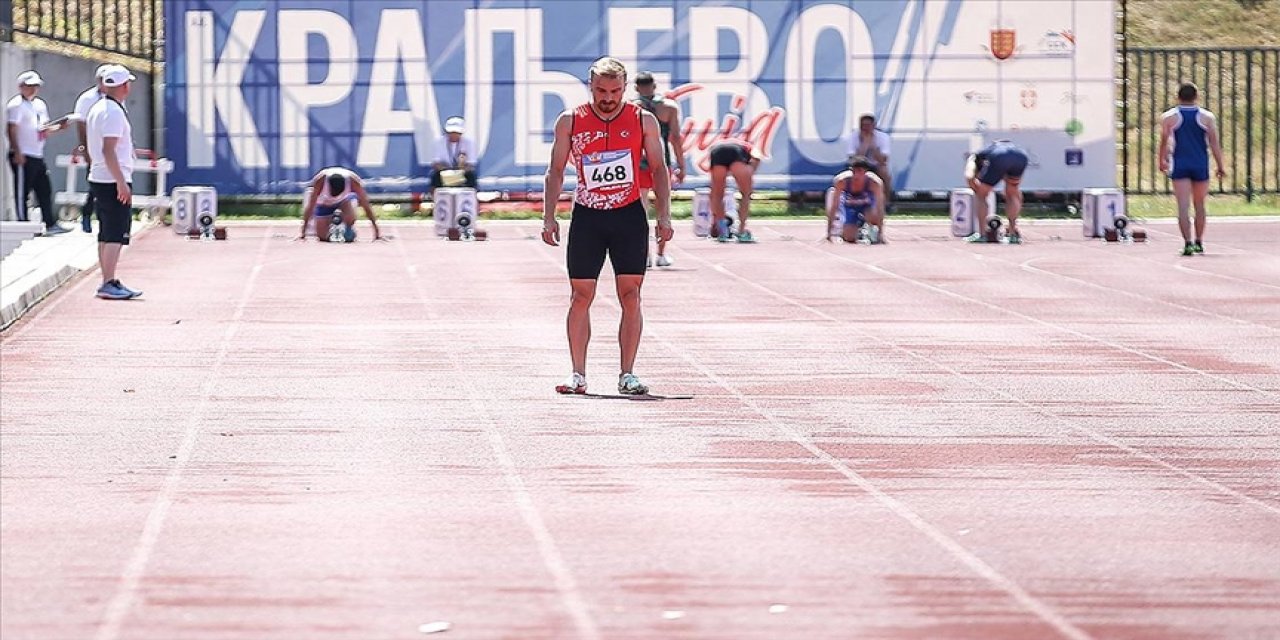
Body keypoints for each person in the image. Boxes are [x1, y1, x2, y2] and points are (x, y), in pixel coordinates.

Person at [541, 56, 673, 396]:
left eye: (615, 91)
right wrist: (548, 215)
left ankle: (627, 373)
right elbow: (555, 171)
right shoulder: (570, 120)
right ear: (591, 87)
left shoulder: (643, 120)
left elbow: (658, 170)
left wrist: (664, 217)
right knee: (580, 295)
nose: (608, 98)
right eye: (601, 90)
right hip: (588, 215)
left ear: (624, 88)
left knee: (631, 296)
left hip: (628, 215)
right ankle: (577, 374)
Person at [85, 65, 142, 299]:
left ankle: (107, 279)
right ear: (123, 86)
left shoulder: (99, 108)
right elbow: (109, 150)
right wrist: (121, 182)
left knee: (106, 231)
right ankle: (108, 280)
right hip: (111, 178)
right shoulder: (113, 112)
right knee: (115, 232)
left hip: (100, 176)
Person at [1158, 82, 1226, 256]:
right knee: (1200, 205)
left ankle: (1187, 242)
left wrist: (1162, 160)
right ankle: (1199, 241)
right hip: (1199, 164)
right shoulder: (1207, 117)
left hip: (1180, 163)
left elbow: (1164, 141)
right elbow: (1214, 143)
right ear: (1196, 96)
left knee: (1183, 205)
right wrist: (1220, 165)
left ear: (1178, 97)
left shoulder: (1169, 117)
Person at [7, 70, 71, 235]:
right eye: (29, 86)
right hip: (24, 153)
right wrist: (17, 151)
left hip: (37, 153)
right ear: (21, 87)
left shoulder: (39, 105)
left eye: (35, 86)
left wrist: (59, 127)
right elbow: (11, 129)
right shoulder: (16, 105)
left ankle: (49, 223)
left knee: (44, 189)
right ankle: (22, 225)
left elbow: (43, 129)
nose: (33, 89)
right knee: (23, 191)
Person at [632, 71, 686, 267]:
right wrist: (681, 164)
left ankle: (643, 255)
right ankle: (661, 255)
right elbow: (675, 138)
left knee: (640, 210)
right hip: (661, 160)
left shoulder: (632, 108)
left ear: (636, 87)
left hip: (639, 161)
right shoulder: (669, 107)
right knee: (663, 208)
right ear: (654, 86)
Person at [964, 139, 1028, 244]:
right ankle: (1012, 234)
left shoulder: (982, 153)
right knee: (1012, 193)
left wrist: (976, 188)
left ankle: (982, 235)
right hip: (1021, 157)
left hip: (1000, 157)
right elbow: (1015, 191)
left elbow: (969, 175)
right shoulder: (1014, 148)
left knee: (981, 195)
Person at [298, 166, 384, 242]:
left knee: (350, 219)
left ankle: (346, 227)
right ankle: (333, 227)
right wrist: (303, 232)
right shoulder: (320, 181)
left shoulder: (353, 181)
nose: (335, 195)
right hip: (324, 203)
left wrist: (376, 231)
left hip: (343, 201)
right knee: (322, 237)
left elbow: (366, 206)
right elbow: (311, 206)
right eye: (333, 192)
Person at [73, 64, 111, 233]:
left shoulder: (114, 97)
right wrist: (85, 147)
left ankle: (104, 217)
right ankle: (87, 214)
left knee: (110, 183)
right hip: (94, 147)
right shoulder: (87, 98)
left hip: (110, 147)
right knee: (95, 184)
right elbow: (81, 124)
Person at [706, 139, 761, 243]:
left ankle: (722, 232)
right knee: (745, 194)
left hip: (717, 152)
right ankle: (741, 231)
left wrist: (714, 221)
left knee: (717, 195)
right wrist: (751, 171)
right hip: (736, 154)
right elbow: (757, 157)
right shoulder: (748, 147)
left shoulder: (723, 143)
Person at [825, 157, 886, 244]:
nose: (856, 175)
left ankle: (868, 227)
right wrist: (828, 233)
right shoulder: (841, 181)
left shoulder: (875, 183)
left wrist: (881, 234)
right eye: (854, 171)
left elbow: (880, 207)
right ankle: (856, 230)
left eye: (860, 171)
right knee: (849, 238)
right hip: (850, 206)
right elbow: (834, 205)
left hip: (867, 206)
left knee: (873, 216)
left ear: (866, 171)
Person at [847, 113, 893, 210]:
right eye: (863, 126)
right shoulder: (853, 136)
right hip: (859, 165)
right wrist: (865, 144)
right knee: (854, 172)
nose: (865, 129)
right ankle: (853, 200)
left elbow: (883, 160)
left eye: (868, 126)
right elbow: (853, 159)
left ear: (874, 126)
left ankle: (886, 202)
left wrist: (872, 145)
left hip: (876, 165)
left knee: (884, 172)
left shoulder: (883, 137)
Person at [429, 116, 478, 196]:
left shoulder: (469, 143)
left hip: (462, 172)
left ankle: (471, 200)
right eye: (451, 132)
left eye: (456, 132)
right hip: (444, 172)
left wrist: (460, 170)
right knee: (435, 176)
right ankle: (435, 201)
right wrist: (448, 173)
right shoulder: (438, 142)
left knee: (471, 176)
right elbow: (436, 163)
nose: (453, 134)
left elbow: (471, 164)